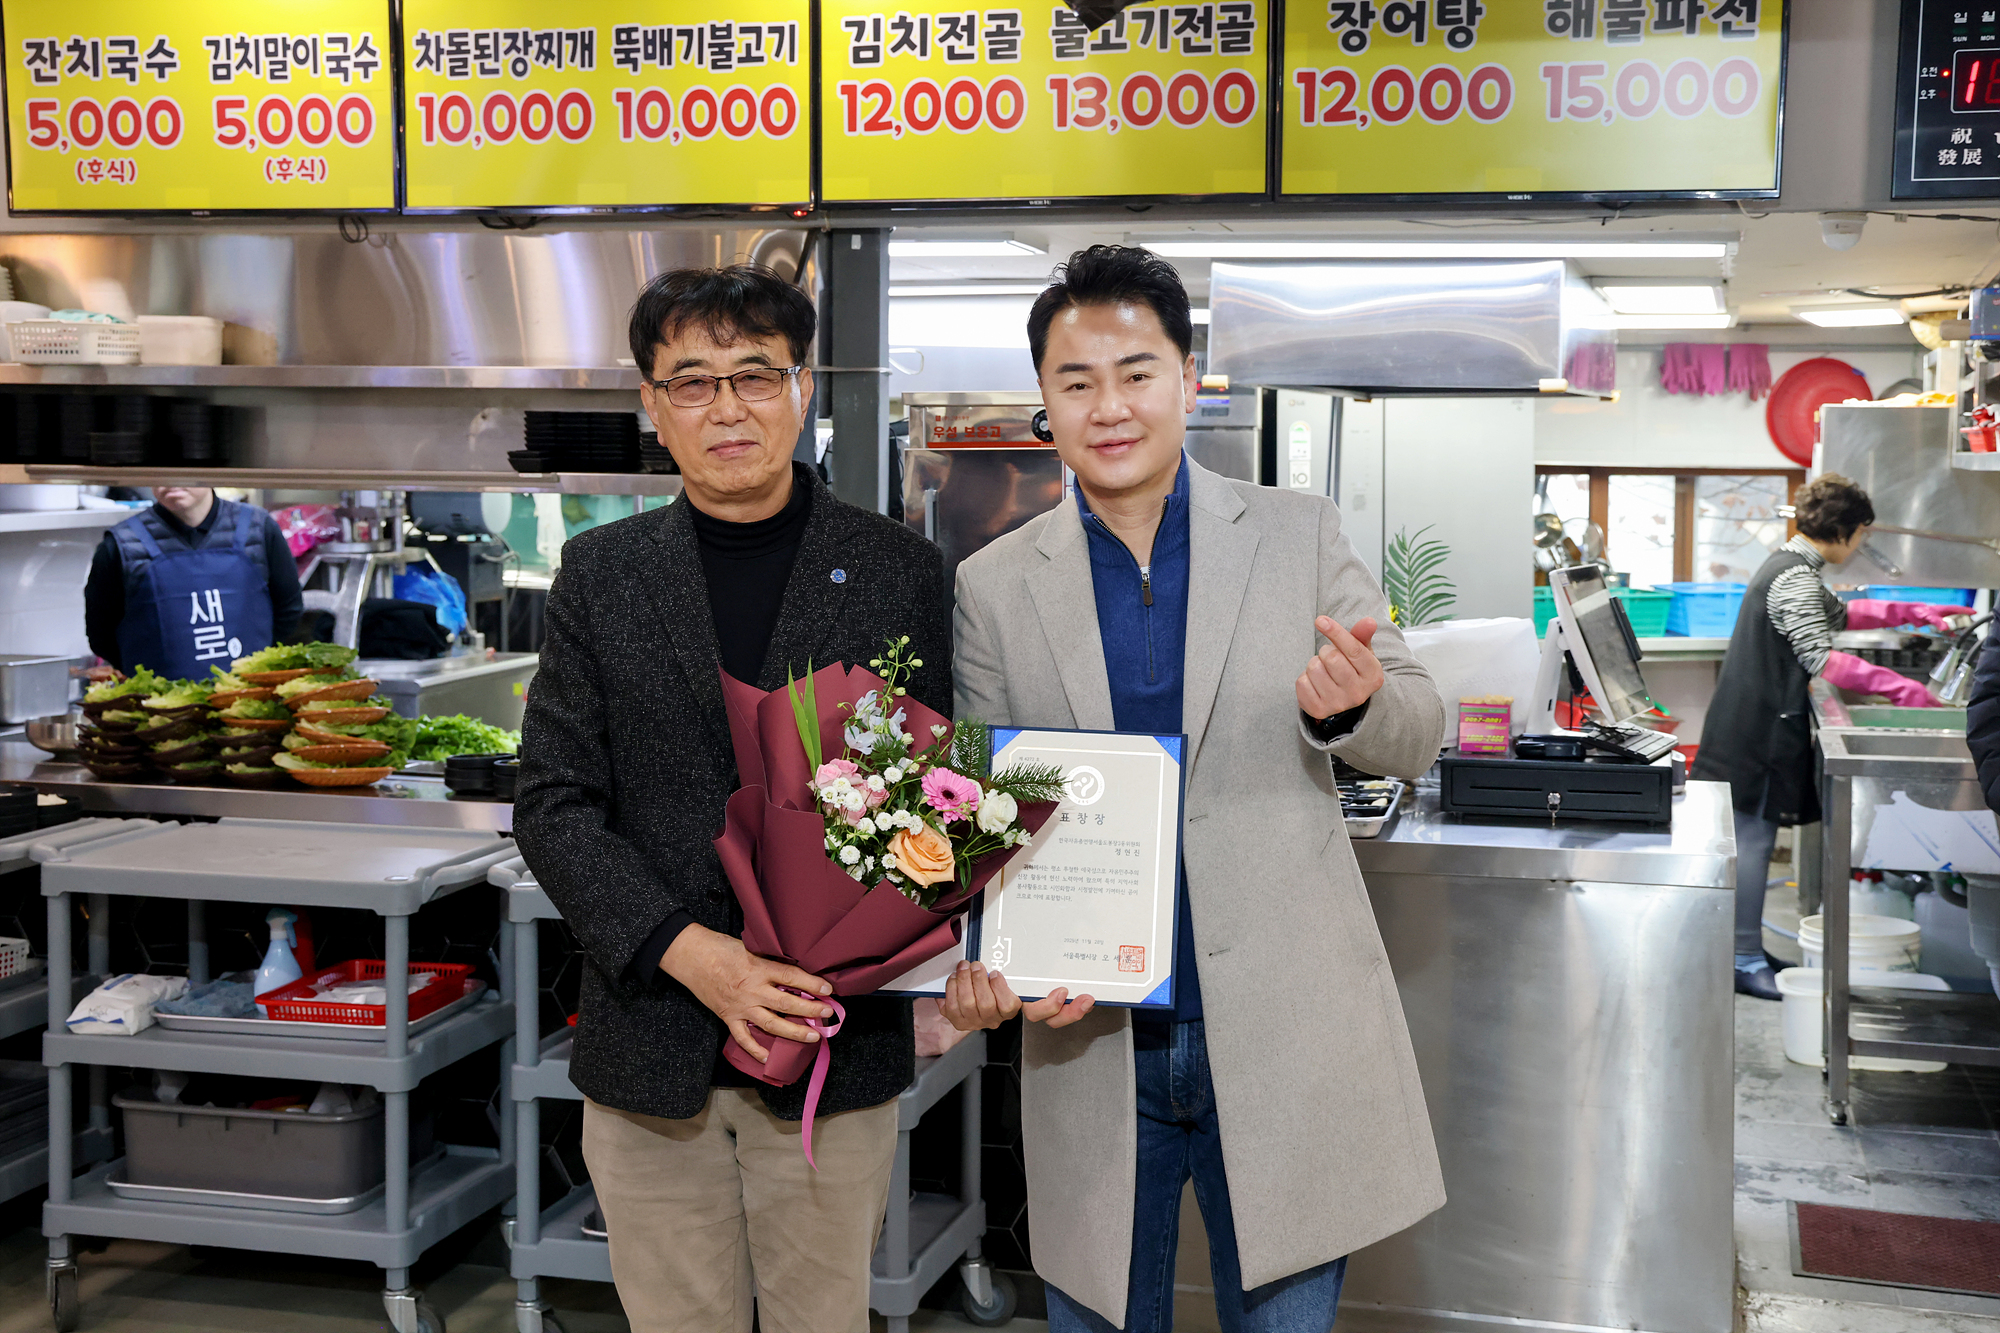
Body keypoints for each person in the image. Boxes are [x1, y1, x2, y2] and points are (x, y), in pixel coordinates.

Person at [942, 245, 1448, 1333]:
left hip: (1282, 1030)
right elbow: (979, 817)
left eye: (1136, 373)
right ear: (1044, 404)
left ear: (1186, 377)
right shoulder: (993, 585)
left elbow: (1418, 729)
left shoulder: (1296, 534)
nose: (1109, 406)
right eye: (1076, 382)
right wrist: (983, 959)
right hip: (1089, 1043)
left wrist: (1354, 707)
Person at [511, 264, 952, 1333]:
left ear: (802, 388)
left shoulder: (898, 569)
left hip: (831, 1043)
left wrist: (925, 970)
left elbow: (939, 796)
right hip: (651, 1045)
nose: (726, 408)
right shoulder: (600, 573)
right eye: (692, 382)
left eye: (755, 375)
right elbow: (553, 802)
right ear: (653, 406)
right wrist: (690, 951)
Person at [1691, 474, 1963, 1001]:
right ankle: (1742, 959)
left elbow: (1839, 613)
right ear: (1846, 530)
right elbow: (1820, 656)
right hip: (1758, 732)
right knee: (1752, 843)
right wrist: (1902, 689)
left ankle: (1746, 949)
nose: (1860, 545)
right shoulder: (1793, 575)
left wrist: (1914, 612)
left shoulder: (1793, 566)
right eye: (1861, 534)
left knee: (1754, 839)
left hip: (1754, 724)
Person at [83, 485, 302, 678]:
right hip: (156, 706)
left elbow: (289, 610)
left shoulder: (259, 528)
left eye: (184, 466)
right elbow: (100, 634)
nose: (171, 478)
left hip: (247, 701)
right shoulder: (121, 544)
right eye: (160, 468)